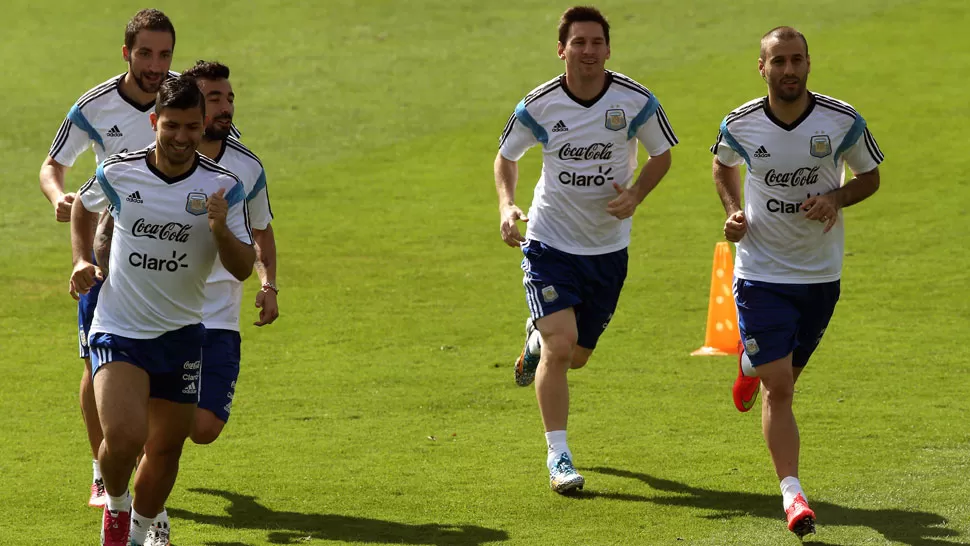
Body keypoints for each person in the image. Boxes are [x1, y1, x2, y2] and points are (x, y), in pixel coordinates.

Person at [493, 6, 676, 494]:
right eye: (579, 43)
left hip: (608, 249)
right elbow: (506, 156)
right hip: (550, 241)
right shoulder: (540, 104)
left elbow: (663, 154)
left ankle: (534, 340)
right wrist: (508, 206)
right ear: (561, 50)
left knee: (576, 356)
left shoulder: (635, 101)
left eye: (597, 42)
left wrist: (636, 194)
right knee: (560, 346)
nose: (588, 51)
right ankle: (559, 457)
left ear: (609, 49)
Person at [709, 26, 882, 537]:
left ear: (809, 63)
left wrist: (836, 199)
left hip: (821, 275)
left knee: (780, 376)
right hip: (760, 273)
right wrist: (734, 211)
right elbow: (722, 167)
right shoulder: (741, 124)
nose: (789, 70)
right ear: (761, 67)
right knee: (779, 388)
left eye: (797, 60)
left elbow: (870, 176)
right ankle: (792, 494)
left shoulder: (842, 120)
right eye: (778, 61)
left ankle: (748, 360)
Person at [69, 76, 255, 546]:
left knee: (166, 450)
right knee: (125, 437)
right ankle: (115, 505)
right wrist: (82, 260)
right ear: (155, 122)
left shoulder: (224, 186)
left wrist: (218, 228)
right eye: (171, 125)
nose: (181, 137)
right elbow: (83, 207)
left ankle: (140, 528)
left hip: (181, 335)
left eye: (192, 127)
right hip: (120, 329)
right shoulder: (120, 171)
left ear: (203, 126)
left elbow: (242, 266)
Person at [38, 8, 177, 508]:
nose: (156, 65)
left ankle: (147, 458)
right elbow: (54, 164)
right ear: (126, 53)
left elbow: (220, 146)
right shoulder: (95, 106)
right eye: (145, 53)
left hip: (170, 253)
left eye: (164, 54)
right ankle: (103, 467)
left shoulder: (182, 95)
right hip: (107, 252)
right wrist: (59, 196)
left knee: (163, 358)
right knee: (97, 361)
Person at [183, 60, 278, 448]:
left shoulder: (246, 166)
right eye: (214, 98)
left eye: (229, 98)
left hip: (221, 314)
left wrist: (269, 285)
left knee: (204, 430)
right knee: (164, 420)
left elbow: (261, 228)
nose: (226, 108)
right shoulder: (163, 162)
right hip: (168, 311)